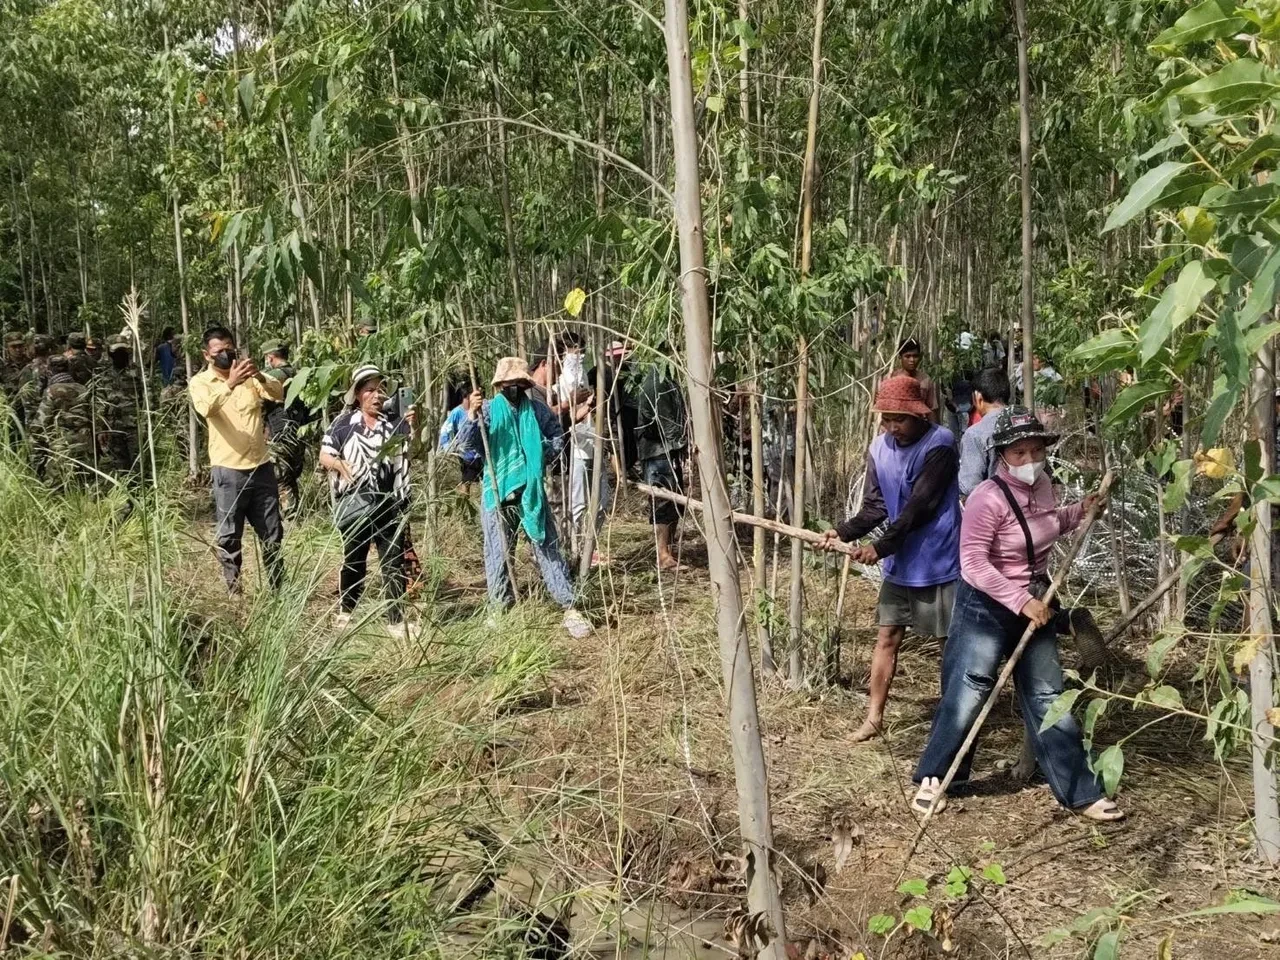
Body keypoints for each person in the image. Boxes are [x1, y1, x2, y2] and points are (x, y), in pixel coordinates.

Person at [911, 407, 1121, 821]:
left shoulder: (1044, 487)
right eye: (1018, 452)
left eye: (1035, 450)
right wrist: (1018, 600)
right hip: (986, 605)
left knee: (1048, 696)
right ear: (1001, 455)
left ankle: (1080, 792)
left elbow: (1043, 526)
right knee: (969, 692)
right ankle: (934, 777)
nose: (1028, 461)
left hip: (1036, 601)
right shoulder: (985, 498)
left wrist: (1080, 511)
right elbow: (972, 563)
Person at [818, 375, 961, 743]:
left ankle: (953, 720)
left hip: (938, 558)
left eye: (900, 418)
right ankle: (874, 717)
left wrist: (879, 548)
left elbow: (922, 506)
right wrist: (845, 531)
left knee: (949, 642)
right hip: (900, 562)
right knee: (887, 637)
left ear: (919, 416)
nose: (893, 427)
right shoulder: (879, 448)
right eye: (887, 419)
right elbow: (877, 505)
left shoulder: (940, 444)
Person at [456, 357, 591, 639]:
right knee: (498, 553)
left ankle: (569, 606)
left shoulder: (537, 410)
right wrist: (472, 417)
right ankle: (498, 607)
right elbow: (466, 444)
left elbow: (556, 434)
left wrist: (541, 457)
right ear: (499, 386)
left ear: (526, 384)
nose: (514, 388)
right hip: (498, 491)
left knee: (546, 546)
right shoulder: (489, 411)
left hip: (531, 490)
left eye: (519, 384)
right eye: (509, 384)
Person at [319, 365, 417, 634]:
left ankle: (395, 619)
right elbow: (325, 455)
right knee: (354, 560)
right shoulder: (342, 425)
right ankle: (346, 612)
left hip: (390, 503)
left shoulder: (394, 424)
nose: (376, 396)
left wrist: (412, 427)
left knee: (392, 561)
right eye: (370, 390)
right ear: (358, 395)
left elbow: (412, 454)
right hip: (357, 504)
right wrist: (339, 465)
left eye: (380, 390)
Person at [188, 326, 285, 595]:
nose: (226, 354)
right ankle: (235, 592)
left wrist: (259, 377)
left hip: (261, 467)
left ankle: (279, 589)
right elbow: (206, 408)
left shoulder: (249, 376)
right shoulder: (200, 383)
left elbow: (278, 394)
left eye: (229, 348)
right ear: (207, 354)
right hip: (229, 471)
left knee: (272, 533)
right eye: (219, 351)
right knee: (230, 536)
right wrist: (230, 383)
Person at [635, 351, 688, 570]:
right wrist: (681, 442)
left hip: (668, 450)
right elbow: (666, 421)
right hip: (658, 452)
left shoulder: (668, 378)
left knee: (675, 501)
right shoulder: (657, 381)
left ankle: (669, 551)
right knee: (663, 501)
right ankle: (663, 555)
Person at [261, 340, 308, 518]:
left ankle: (290, 518)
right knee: (289, 477)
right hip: (298, 433)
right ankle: (294, 515)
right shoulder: (301, 373)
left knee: (280, 479)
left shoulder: (271, 377)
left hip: (278, 433)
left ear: (270, 357)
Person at [34, 355, 93, 488]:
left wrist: (37, 441)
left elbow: (40, 422)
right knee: (84, 483)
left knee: (57, 486)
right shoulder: (82, 388)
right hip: (85, 441)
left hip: (62, 443)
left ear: (50, 370)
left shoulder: (51, 391)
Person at [958, 367, 1010, 497]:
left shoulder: (975, 434)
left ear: (978, 398)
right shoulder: (1027, 420)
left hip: (996, 507)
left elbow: (970, 485)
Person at [97, 335, 143, 481]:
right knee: (119, 465)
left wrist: (147, 422)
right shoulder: (103, 374)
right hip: (113, 427)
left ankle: (139, 495)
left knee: (138, 464)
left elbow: (149, 398)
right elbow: (100, 402)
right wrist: (101, 428)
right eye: (116, 353)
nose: (120, 355)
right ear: (110, 353)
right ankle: (125, 496)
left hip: (135, 426)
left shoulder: (137, 372)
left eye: (123, 352)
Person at [439, 378, 484, 489]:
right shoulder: (457, 413)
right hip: (466, 456)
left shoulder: (483, 409)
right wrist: (449, 449)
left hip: (481, 454)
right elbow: (445, 431)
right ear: (468, 396)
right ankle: (464, 504)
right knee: (466, 483)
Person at [892, 338, 941, 424]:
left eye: (915, 356)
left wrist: (935, 431)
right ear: (900, 357)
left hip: (919, 426)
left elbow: (931, 408)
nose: (912, 360)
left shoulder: (925, 380)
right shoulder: (891, 379)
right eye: (907, 356)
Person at [17, 334, 53, 437]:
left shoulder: (29, 369)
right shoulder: (56, 366)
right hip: (53, 418)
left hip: (35, 421)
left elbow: (24, 398)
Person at [2, 333, 27, 437]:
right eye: (14, 347)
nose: (18, 349)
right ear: (7, 348)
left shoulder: (32, 363)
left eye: (20, 346)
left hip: (32, 410)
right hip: (13, 411)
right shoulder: (3, 366)